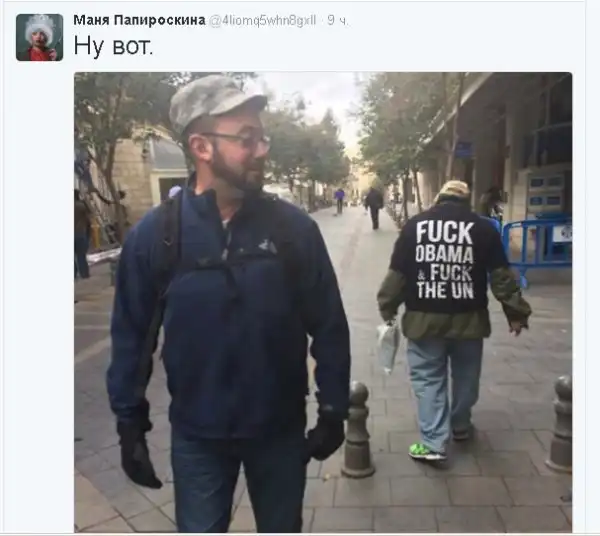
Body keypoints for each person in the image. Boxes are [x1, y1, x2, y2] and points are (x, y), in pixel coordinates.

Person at [106, 75, 351, 533]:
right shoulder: (156, 237)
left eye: (262, 138)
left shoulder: (293, 230)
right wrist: (129, 422)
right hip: (198, 437)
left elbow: (329, 325)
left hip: (279, 433)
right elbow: (132, 336)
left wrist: (334, 409)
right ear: (201, 147)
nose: (261, 150)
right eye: (246, 138)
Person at [376, 180, 531, 462]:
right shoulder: (483, 229)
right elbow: (501, 277)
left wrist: (387, 307)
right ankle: (460, 425)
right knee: (466, 376)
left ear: (439, 198)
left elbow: (398, 274)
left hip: (423, 320)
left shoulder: (414, 227)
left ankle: (433, 442)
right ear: (466, 201)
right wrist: (516, 313)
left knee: (427, 378)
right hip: (469, 320)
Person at [74, 189, 91, 279]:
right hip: (80, 233)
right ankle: (84, 273)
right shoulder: (81, 206)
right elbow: (88, 218)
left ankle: (74, 274)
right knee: (81, 255)